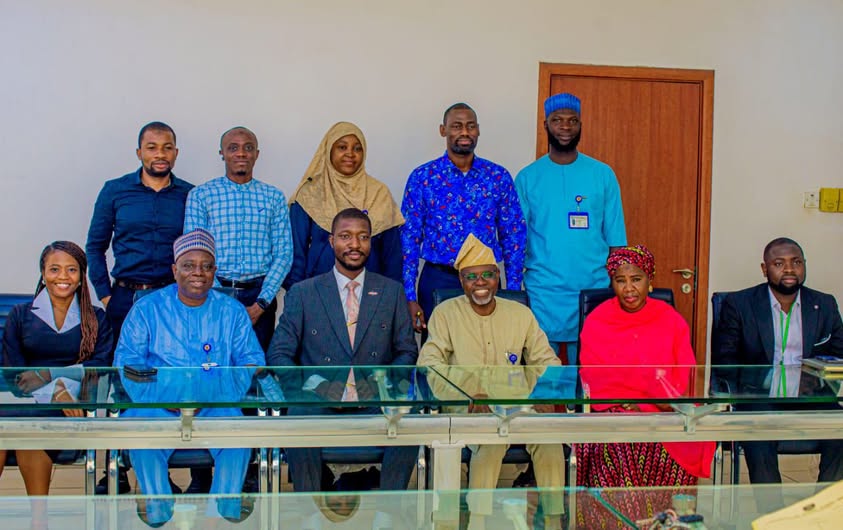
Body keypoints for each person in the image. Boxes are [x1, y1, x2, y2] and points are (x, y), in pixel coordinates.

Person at [113, 228, 265, 527]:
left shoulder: (232, 311)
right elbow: (128, 363)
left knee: (238, 440)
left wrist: (215, 394)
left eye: (206, 266)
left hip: (216, 405)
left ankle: (218, 519)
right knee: (143, 442)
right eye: (189, 265)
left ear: (214, 272)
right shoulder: (147, 309)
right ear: (174, 270)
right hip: (156, 405)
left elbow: (252, 361)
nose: (198, 273)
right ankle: (160, 516)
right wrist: (162, 397)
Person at [267, 208, 418, 499]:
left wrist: (379, 382)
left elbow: (407, 351)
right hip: (318, 399)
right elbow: (279, 354)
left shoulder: (391, 291)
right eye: (346, 236)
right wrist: (317, 385)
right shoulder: (303, 292)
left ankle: (391, 511)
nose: (354, 244)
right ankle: (309, 510)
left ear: (371, 241)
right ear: (331, 240)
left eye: (363, 237)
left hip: (374, 398)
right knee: (297, 416)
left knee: (409, 417)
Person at [418, 234, 565, 530]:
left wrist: (545, 393)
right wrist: (468, 393)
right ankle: (479, 521)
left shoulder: (520, 313)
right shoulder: (445, 313)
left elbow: (547, 360)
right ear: (461, 281)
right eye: (471, 277)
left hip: (519, 406)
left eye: (487, 275)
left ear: (498, 277)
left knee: (550, 442)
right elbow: (429, 365)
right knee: (490, 444)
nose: (480, 283)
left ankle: (553, 520)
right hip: (470, 409)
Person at [85, 120, 193, 494]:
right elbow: (94, 247)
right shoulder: (115, 191)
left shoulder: (190, 195)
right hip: (126, 299)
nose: (160, 154)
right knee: (126, 385)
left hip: (172, 301)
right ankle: (119, 468)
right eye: (152, 147)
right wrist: (106, 295)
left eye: (167, 147)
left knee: (169, 382)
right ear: (139, 152)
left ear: (175, 152)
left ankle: (170, 471)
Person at [576, 245, 715, 528]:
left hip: (664, 412)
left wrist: (645, 400)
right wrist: (638, 397)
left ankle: (667, 523)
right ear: (612, 283)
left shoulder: (671, 319)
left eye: (636, 279)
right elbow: (593, 377)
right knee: (619, 447)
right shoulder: (598, 320)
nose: (629, 288)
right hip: (615, 412)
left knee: (675, 443)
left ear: (649, 280)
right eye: (620, 280)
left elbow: (685, 375)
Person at [712, 237, 843, 503]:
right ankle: (771, 514)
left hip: (812, 397)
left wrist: (816, 376)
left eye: (796, 262)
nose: (789, 269)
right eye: (779, 263)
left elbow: (839, 354)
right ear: (765, 269)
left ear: (804, 265)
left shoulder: (824, 304)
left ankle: (822, 509)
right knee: (758, 432)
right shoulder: (739, 304)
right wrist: (767, 378)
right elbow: (724, 361)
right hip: (759, 397)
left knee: (840, 430)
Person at [515, 92, 626, 367]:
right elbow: (516, 241)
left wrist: (617, 287)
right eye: (557, 120)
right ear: (546, 125)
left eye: (572, 120)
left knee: (590, 376)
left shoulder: (603, 175)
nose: (565, 127)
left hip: (593, 290)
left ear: (580, 125)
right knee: (542, 377)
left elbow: (616, 241)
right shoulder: (528, 178)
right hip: (543, 293)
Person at [401, 103, 526, 338]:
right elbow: (409, 239)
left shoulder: (497, 176)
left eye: (470, 126)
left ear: (478, 130)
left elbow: (513, 236)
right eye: (457, 126)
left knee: (489, 345)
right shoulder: (423, 177)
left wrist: (513, 290)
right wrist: (409, 296)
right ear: (443, 130)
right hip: (439, 278)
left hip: (485, 279)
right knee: (437, 349)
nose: (465, 132)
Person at [0, 241, 113, 499]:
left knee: (29, 432)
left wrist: (55, 379)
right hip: (26, 402)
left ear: (81, 276)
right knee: (14, 427)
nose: (63, 276)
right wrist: (54, 390)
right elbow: (14, 374)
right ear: (43, 273)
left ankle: (39, 518)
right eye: (54, 269)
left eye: (71, 270)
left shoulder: (96, 318)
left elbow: (101, 366)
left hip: (71, 406)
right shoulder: (20, 315)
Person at [184, 126, 292, 352]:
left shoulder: (273, 197)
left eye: (248, 148)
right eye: (233, 148)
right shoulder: (201, 196)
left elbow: (284, 254)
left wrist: (261, 303)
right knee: (213, 362)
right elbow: (194, 251)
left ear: (257, 154)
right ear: (222, 153)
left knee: (256, 365)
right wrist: (220, 298)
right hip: (214, 293)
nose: (241, 153)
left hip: (260, 296)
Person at [284, 121, 404, 290]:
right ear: (328, 150)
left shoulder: (379, 193)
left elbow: (392, 256)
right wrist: (297, 294)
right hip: (318, 292)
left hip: (371, 293)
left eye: (357, 148)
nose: (350, 154)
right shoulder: (309, 193)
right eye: (342, 147)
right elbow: (296, 253)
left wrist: (393, 295)